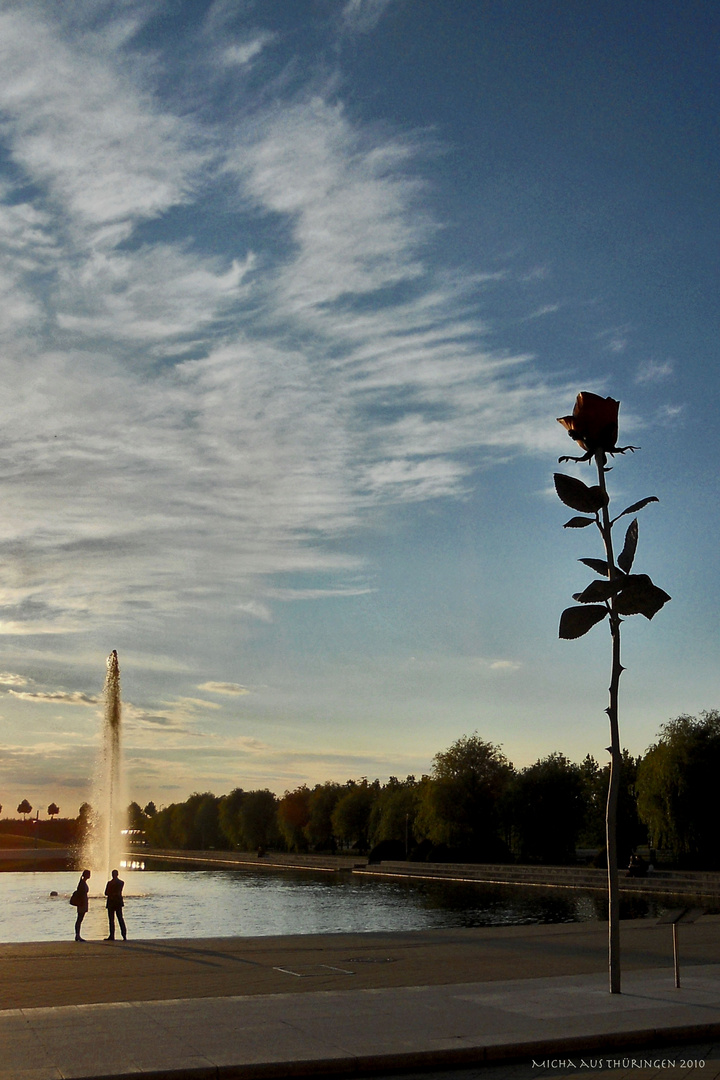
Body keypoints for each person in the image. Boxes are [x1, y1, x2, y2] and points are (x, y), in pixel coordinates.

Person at [104, 869, 127, 941]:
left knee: (114, 919)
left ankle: (115, 935)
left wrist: (112, 893)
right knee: (118, 919)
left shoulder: (111, 883)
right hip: (116, 902)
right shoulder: (120, 882)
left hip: (113, 902)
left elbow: (106, 893)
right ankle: (122, 935)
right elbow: (107, 892)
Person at [74, 869, 91, 941]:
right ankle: (77, 935)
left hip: (83, 902)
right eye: (89, 874)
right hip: (82, 903)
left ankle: (77, 935)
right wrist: (82, 902)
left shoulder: (82, 882)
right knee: (79, 919)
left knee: (80, 919)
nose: (90, 875)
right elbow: (80, 893)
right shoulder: (82, 883)